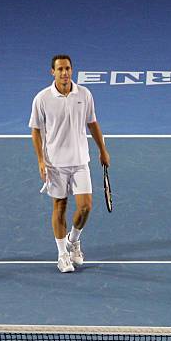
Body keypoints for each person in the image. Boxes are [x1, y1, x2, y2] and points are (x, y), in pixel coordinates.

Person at [29, 54, 110, 273]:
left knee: (85, 207)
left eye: (67, 69)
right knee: (60, 206)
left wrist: (102, 149)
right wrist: (40, 161)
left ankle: (73, 240)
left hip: (80, 160)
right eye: (60, 69)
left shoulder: (84, 94)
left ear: (72, 70)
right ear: (52, 72)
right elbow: (35, 131)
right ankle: (62, 255)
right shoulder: (42, 98)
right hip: (55, 163)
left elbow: (92, 123)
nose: (64, 73)